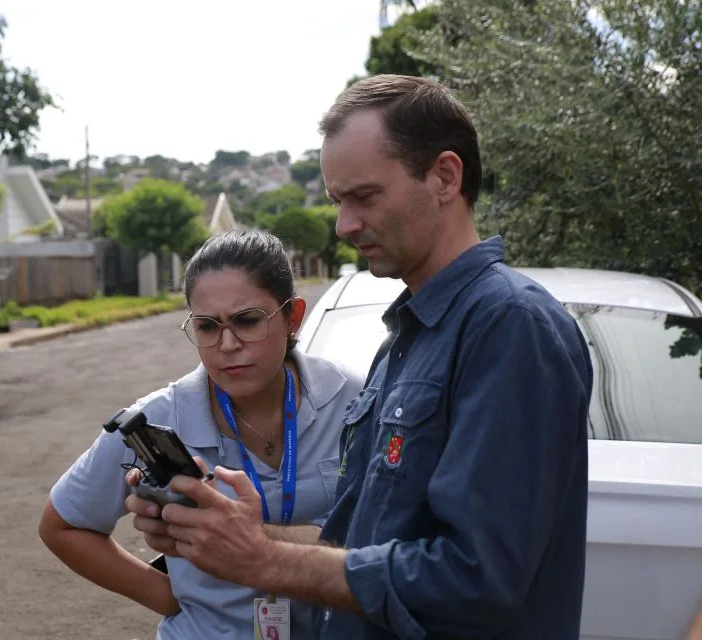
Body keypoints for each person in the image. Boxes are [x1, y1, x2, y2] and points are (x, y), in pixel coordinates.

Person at [126, 74, 595, 639]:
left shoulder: (510, 326)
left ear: (445, 176)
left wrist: (267, 563)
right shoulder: (410, 335)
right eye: (337, 201)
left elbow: (477, 579)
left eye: (364, 197)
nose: (344, 226)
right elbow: (368, 545)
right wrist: (243, 533)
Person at [38, 229, 365, 639]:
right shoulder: (158, 419)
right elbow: (63, 525)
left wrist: (242, 535)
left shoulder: (357, 400)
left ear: (293, 318)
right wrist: (169, 598)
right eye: (207, 327)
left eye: (248, 321)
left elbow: (400, 544)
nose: (227, 344)